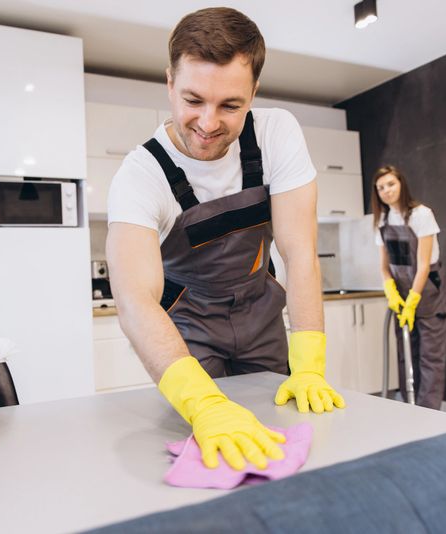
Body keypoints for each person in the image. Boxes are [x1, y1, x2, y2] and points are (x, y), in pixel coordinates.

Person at [106, 7, 344, 471]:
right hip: (189, 333)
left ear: (253, 93)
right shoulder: (141, 175)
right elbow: (135, 301)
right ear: (169, 83)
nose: (209, 122)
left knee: (284, 438)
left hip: (262, 318)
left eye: (230, 105)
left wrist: (310, 363)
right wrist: (203, 404)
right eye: (193, 99)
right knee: (208, 452)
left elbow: (298, 254)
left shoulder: (277, 134)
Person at [372, 165, 446, 409]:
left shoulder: (421, 214)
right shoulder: (382, 221)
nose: (386, 191)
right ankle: (409, 408)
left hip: (427, 292)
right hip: (401, 295)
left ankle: (429, 414)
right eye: (381, 187)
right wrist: (391, 291)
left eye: (391, 184)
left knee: (430, 357)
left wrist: (413, 299)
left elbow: (423, 265)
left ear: (401, 184)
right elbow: (384, 267)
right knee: (406, 353)